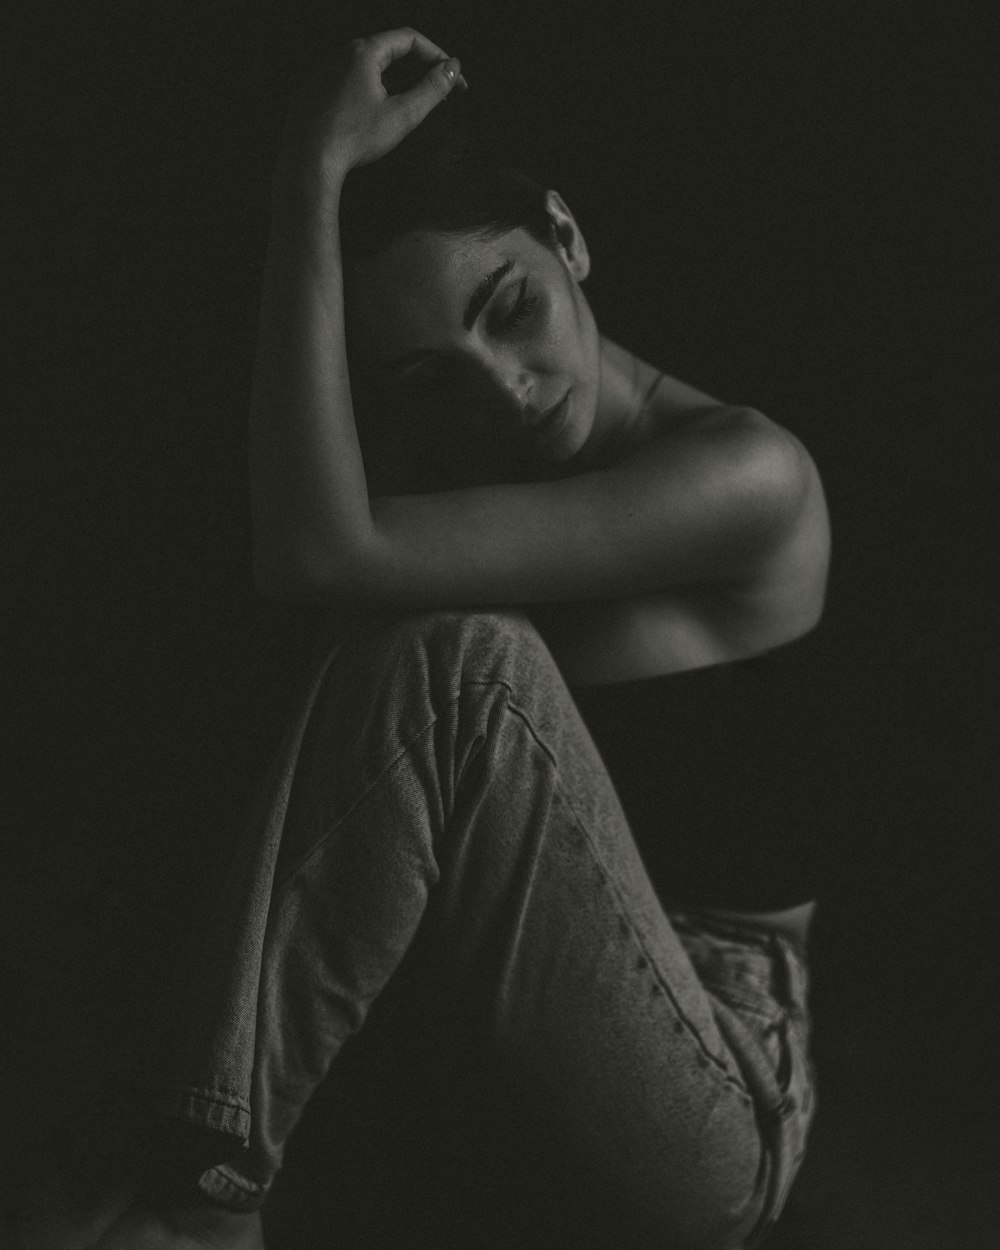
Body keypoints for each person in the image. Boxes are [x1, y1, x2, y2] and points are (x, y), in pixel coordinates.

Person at [7, 27, 830, 1250]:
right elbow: (309, 550)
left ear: (568, 234)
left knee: (462, 660)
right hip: (487, 1060)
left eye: (513, 310)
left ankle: (202, 1196)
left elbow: (316, 549)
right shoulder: (458, 472)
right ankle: (190, 1146)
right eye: (427, 374)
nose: (505, 387)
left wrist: (307, 184)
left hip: (711, 1090)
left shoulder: (745, 471)